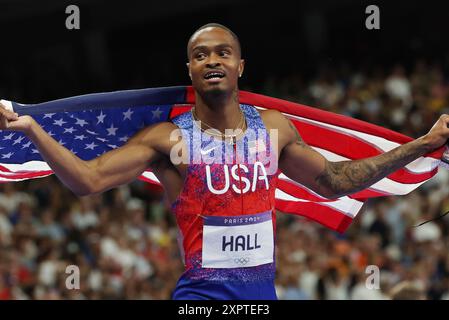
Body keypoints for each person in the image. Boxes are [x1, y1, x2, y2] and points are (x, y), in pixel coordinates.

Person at [1, 23, 449, 300]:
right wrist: (34, 130)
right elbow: (88, 179)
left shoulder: (273, 129)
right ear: (190, 71)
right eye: (200, 55)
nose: (211, 60)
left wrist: (421, 144)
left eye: (222, 53)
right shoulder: (168, 138)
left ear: (240, 66)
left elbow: (336, 181)